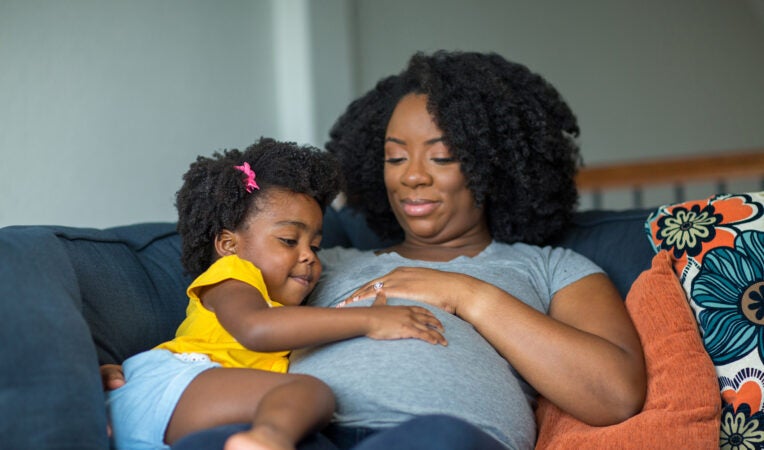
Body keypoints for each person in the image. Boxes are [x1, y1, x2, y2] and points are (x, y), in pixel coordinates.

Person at [104, 51, 647, 450]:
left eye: (441, 157)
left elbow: (614, 394)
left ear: (493, 163)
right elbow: (227, 331)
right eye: (394, 158)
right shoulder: (317, 259)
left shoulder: (551, 268)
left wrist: (466, 295)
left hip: (440, 437)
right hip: (299, 430)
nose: (411, 177)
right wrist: (141, 374)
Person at [105, 138, 447, 450]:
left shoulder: (282, 304)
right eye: (288, 240)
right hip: (174, 383)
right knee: (306, 392)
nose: (309, 256)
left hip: (170, 416)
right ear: (228, 245)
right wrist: (369, 319)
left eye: (315, 245)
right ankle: (269, 440)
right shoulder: (233, 275)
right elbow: (257, 328)